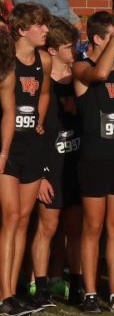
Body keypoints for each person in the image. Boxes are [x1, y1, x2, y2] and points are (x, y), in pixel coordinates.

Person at [72, 12, 114, 314]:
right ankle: (89, 293)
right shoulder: (82, 67)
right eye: (113, 36)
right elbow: (99, 75)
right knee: (93, 226)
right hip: (95, 156)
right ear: (98, 38)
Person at [1, 3, 52, 316]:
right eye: (40, 25)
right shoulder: (7, 64)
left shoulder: (43, 60)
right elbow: (7, 111)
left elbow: (43, 94)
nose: (45, 30)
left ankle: (12, 290)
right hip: (9, 146)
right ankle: (3, 293)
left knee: (22, 221)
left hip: (31, 145)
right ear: (22, 30)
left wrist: (39, 120)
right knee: (8, 220)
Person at [30, 16, 83, 309]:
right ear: (51, 50)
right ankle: (40, 286)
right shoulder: (43, 83)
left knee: (75, 228)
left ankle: (75, 285)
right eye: (66, 46)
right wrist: (41, 175)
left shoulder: (80, 76)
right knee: (47, 227)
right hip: (50, 163)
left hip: (76, 163)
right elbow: (35, 133)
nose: (73, 50)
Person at [0, 29, 17, 316]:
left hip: (4, 153)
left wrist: (3, 153)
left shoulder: (6, 71)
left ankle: (6, 294)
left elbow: (9, 114)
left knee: (12, 215)